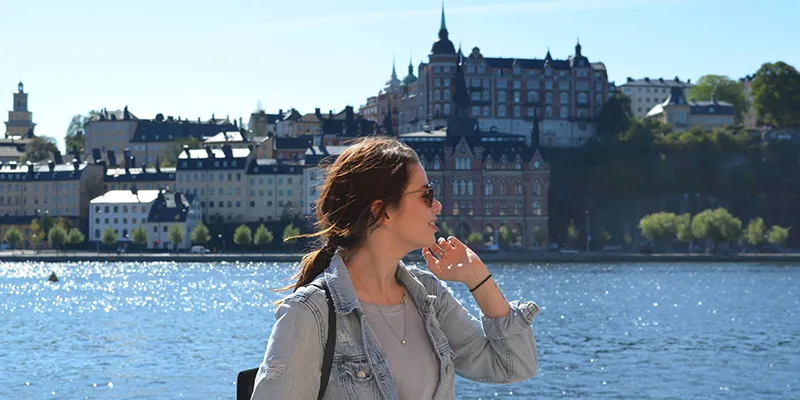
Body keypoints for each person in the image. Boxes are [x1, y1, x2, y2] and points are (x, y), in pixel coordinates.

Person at [251, 136, 540, 400]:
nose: (437, 205)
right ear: (383, 212)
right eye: (426, 195)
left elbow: (512, 366)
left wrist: (478, 278)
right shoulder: (310, 313)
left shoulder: (428, 297)